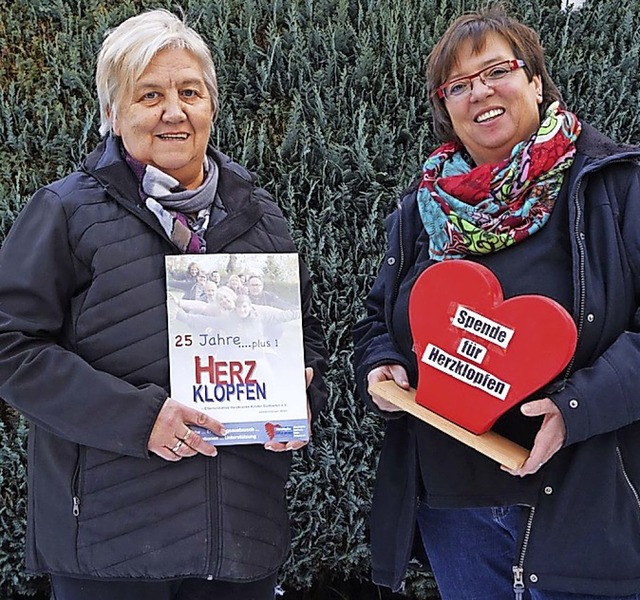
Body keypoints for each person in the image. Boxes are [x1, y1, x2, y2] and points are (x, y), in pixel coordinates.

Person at [0, 9, 327, 600]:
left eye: (189, 92)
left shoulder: (260, 216)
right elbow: (10, 347)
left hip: (239, 542)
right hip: (109, 545)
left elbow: (305, 341)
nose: (173, 111)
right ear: (113, 113)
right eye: (149, 95)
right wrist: (139, 418)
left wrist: (299, 394)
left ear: (211, 107)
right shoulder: (65, 212)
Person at [353, 6, 640, 599]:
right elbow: (378, 319)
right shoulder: (421, 210)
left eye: (497, 71)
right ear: (446, 108)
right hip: (454, 510)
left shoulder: (616, 186)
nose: (479, 92)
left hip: (580, 504)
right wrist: (382, 363)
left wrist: (576, 406)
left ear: (535, 80)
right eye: (458, 85)